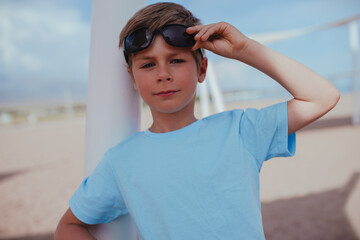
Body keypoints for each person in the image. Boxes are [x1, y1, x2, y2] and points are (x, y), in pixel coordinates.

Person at [55, 2, 340, 240]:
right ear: (132, 77)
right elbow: (68, 227)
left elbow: (322, 97)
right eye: (148, 64)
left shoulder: (239, 131)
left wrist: (243, 49)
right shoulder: (121, 161)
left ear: (202, 69)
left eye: (176, 60)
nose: (163, 74)